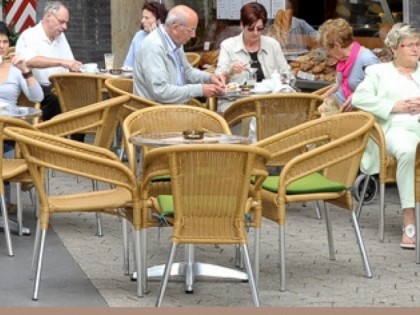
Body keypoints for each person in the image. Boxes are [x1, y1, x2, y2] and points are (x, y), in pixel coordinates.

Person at [352, 23, 420, 250]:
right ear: (394, 48)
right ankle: (409, 218)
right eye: (409, 45)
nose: (415, 49)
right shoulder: (378, 72)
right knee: (407, 150)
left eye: (418, 44)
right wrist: (394, 105)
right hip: (396, 128)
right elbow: (359, 99)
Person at [134, 5, 225, 104]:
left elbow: (187, 72)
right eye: (191, 30)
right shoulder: (153, 47)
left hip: (174, 107)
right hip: (155, 113)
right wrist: (200, 90)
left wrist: (210, 77)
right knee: (213, 118)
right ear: (175, 28)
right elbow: (160, 91)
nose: (194, 35)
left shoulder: (174, 41)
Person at [0, 22, 44, 213]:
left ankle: (5, 202)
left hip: (8, 127)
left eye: (4, 41)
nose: (1, 45)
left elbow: (37, 97)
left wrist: (25, 69)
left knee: (7, 145)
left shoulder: (15, 69)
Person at [215, 2, 290, 113]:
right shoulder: (228, 46)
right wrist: (230, 71)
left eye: (259, 29)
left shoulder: (272, 45)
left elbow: (287, 75)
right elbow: (218, 82)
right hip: (236, 105)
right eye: (251, 29)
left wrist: (280, 80)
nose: (255, 33)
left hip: (269, 104)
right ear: (241, 25)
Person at [16, 0, 82, 121]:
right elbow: (29, 60)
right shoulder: (30, 35)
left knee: (83, 97)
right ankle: (52, 135)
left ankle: (75, 138)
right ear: (48, 16)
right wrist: (61, 62)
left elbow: (70, 62)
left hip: (61, 86)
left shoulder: (60, 37)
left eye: (66, 23)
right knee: (56, 98)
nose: (65, 27)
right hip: (38, 88)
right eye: (61, 22)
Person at [317, 18, 380, 114]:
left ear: (337, 46)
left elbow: (379, 89)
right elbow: (339, 84)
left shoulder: (367, 59)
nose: (328, 54)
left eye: (328, 50)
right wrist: (320, 98)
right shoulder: (342, 60)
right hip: (340, 104)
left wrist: (357, 96)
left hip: (360, 111)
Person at [123, 1, 168, 69]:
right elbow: (128, 65)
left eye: (146, 18)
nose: (142, 20)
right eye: (142, 17)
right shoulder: (139, 36)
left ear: (159, 21)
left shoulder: (167, 38)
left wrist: (154, 36)